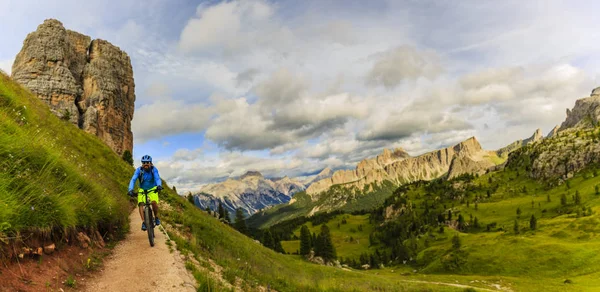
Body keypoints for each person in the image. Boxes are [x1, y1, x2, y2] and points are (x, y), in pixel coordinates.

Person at [128, 155, 163, 231]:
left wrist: (159, 185)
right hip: (142, 189)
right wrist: (130, 189)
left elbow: (157, 178)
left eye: (147, 162)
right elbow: (133, 180)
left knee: (154, 203)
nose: (145, 164)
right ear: (142, 163)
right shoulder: (139, 170)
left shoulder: (154, 170)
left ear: (150, 163)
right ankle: (144, 222)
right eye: (144, 162)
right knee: (141, 204)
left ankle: (156, 217)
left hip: (152, 188)